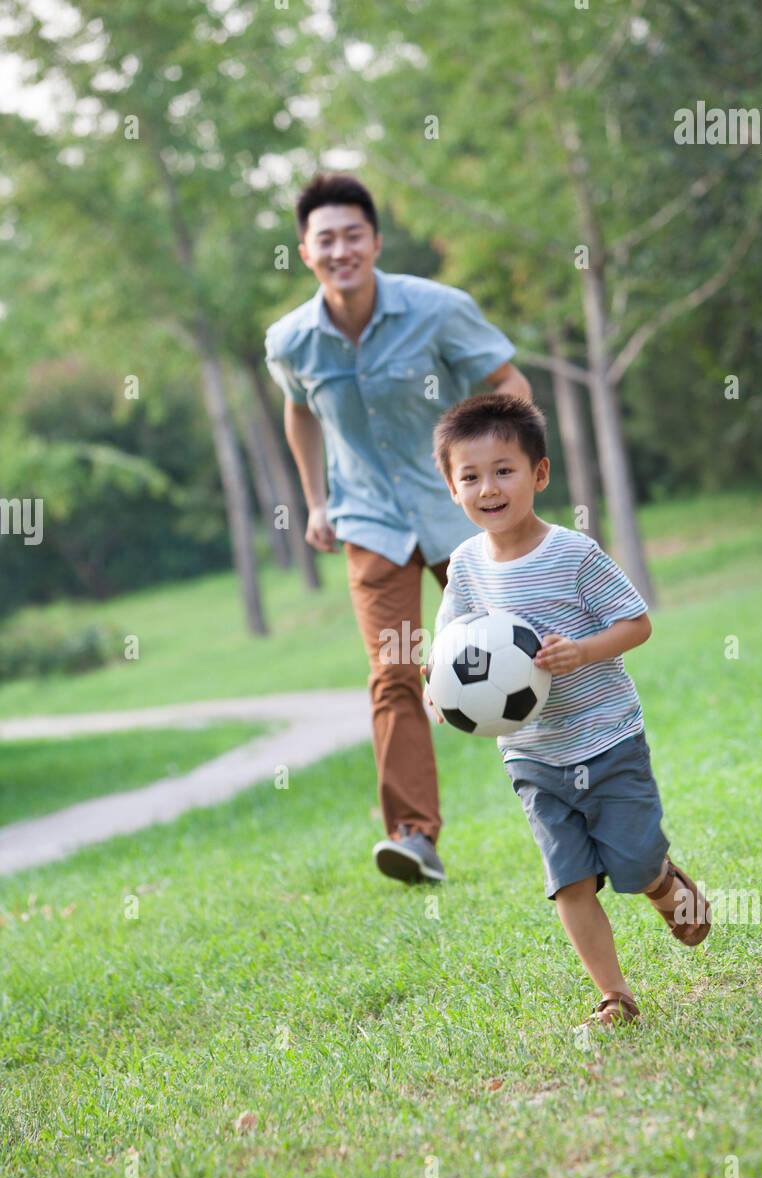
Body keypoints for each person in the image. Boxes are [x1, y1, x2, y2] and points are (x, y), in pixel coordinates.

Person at [264, 173, 531, 884]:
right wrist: (315, 499)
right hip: (371, 525)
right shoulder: (291, 341)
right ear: (306, 250)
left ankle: (581, 786)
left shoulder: (438, 310)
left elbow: (508, 384)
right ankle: (414, 837)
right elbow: (298, 409)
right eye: (327, 239)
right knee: (394, 674)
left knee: (525, 649)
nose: (342, 248)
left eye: (354, 235)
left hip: (461, 516)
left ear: (376, 242)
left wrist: (506, 474)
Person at [426, 393, 711, 1030]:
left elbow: (636, 624)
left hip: (606, 738)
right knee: (569, 881)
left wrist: (581, 651)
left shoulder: (574, 553)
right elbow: (448, 647)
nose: (488, 488)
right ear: (451, 488)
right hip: (532, 756)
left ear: (540, 474)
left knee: (633, 866)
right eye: (469, 476)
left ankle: (663, 882)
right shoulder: (466, 566)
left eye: (504, 470)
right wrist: (435, 691)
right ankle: (615, 997)